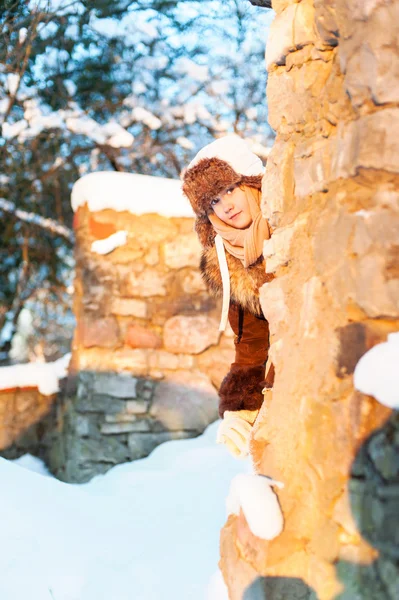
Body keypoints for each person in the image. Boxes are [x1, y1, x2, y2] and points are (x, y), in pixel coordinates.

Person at [181, 134, 274, 459]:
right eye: (214, 201)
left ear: (250, 183)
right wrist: (240, 407)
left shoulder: (291, 228)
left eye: (230, 189)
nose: (227, 205)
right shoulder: (228, 263)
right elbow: (251, 343)